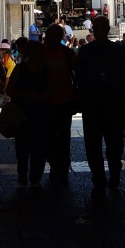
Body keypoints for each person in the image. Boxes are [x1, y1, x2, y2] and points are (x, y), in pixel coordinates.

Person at [74, 14, 125, 194]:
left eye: (100, 27)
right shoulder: (116, 50)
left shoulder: (87, 51)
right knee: (111, 143)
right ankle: (109, 176)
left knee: (97, 144)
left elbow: (78, 75)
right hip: (110, 103)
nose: (99, 31)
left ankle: (102, 178)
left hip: (96, 103)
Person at [5, 40, 49, 188]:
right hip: (23, 114)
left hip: (39, 113)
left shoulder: (45, 70)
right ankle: (24, 176)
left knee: (36, 148)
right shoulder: (21, 69)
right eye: (32, 50)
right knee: (24, 148)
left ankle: (34, 178)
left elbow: (51, 90)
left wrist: (41, 97)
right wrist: (27, 95)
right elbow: (10, 90)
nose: (34, 54)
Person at [41, 23, 79, 184]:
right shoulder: (43, 52)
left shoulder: (66, 52)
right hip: (51, 101)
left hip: (60, 101)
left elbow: (76, 73)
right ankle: (58, 166)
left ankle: (60, 167)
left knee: (58, 136)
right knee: (57, 136)